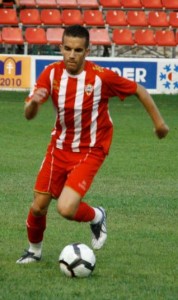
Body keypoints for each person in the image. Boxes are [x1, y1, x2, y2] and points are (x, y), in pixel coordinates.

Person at [16, 25, 169, 264]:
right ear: (61, 48)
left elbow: (139, 89)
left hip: (91, 150)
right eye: (67, 49)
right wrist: (32, 104)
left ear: (87, 50)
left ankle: (97, 215)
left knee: (66, 209)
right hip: (59, 147)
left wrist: (159, 124)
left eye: (78, 50)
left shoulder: (101, 77)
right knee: (38, 206)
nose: (72, 55)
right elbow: (28, 114)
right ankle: (34, 252)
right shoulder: (51, 73)